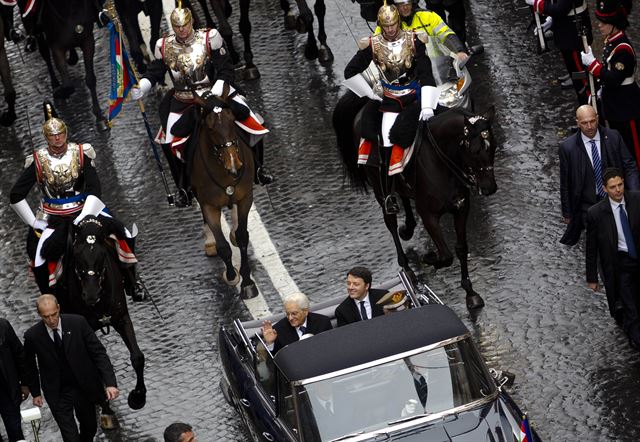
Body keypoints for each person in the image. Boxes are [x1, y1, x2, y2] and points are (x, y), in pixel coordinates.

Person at [130, 1, 272, 207]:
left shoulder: (210, 38)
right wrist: (142, 86)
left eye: (185, 25)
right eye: (177, 27)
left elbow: (225, 68)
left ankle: (259, 169)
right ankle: (183, 187)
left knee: (252, 119)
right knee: (169, 138)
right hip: (184, 100)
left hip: (215, 93)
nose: (182, 30)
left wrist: (216, 92)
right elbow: (156, 71)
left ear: (192, 22)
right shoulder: (164, 46)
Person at [9, 103, 143, 300]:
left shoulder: (80, 153)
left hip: (85, 207)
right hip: (53, 216)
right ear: (47, 138)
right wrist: (33, 222)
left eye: (61, 133)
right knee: (39, 260)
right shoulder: (38, 161)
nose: (58, 138)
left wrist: (86, 214)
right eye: (53, 135)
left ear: (66, 133)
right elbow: (16, 195)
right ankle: (50, 298)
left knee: (124, 234)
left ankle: (133, 282)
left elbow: (94, 187)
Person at [343, 1, 438, 214]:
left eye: (393, 25)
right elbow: (350, 71)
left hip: (416, 95)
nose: (391, 30)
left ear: (399, 22)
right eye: (386, 26)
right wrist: (369, 91)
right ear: (380, 25)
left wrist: (428, 104)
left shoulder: (414, 40)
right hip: (391, 100)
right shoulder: (373, 44)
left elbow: (426, 72)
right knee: (386, 138)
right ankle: (389, 193)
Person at [23, 295, 119, 442]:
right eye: (46, 317)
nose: (51, 320)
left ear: (59, 308)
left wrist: (110, 383)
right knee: (70, 436)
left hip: (83, 388)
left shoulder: (77, 323)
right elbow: (30, 366)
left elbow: (99, 353)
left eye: (54, 314)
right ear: (40, 315)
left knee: (90, 426)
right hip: (58, 392)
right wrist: (36, 393)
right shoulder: (32, 336)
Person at [559, 104, 638, 246]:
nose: (589, 126)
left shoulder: (613, 137)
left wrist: (634, 194)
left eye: (592, 121)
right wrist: (567, 212)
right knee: (601, 245)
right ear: (577, 122)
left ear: (597, 118)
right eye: (584, 123)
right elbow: (565, 181)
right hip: (587, 206)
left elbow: (629, 165)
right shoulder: (567, 147)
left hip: (614, 199)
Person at [581, 0, 640, 168]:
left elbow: (614, 78)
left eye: (604, 23)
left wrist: (593, 65)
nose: (599, 25)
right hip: (615, 106)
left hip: (627, 108)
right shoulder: (611, 40)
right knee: (620, 148)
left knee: (634, 150)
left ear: (614, 24)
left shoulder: (623, 49)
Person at [586, 168, 640, 349]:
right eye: (613, 187)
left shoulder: (637, 200)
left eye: (620, 185)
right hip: (620, 263)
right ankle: (636, 340)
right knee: (629, 306)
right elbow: (592, 247)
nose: (618, 190)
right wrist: (592, 277)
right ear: (605, 189)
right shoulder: (596, 213)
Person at [526, 0, 592, 105]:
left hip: (574, 36)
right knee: (574, 76)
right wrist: (551, 19)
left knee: (581, 79)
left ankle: (589, 109)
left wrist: (537, 3)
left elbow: (560, 8)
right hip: (567, 32)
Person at [378, 0, 468, 65]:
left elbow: (446, 34)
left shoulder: (428, 16)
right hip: (404, 71)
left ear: (413, 3)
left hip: (436, 68)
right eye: (401, 4)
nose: (405, 7)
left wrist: (459, 51)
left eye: (407, 3)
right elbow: (376, 44)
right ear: (395, 6)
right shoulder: (386, 24)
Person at [261, 292, 332, 353]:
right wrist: (270, 343)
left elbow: (331, 348)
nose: (290, 318)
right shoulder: (278, 330)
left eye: (294, 313)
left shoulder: (323, 322)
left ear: (305, 311)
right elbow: (274, 362)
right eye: (287, 314)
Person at [0, 318, 28, 442]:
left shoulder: (2, 325)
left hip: (7, 389)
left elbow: (19, 354)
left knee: (15, 431)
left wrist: (25, 383)